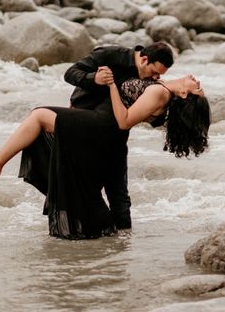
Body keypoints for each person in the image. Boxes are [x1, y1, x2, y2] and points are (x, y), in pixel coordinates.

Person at [0, 73, 209, 240]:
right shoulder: (161, 88)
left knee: (39, 115)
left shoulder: (160, 93)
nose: (196, 80)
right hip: (104, 130)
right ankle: (118, 237)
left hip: (102, 126)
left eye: (196, 87)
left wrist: (113, 86)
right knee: (108, 191)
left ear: (185, 95)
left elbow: (124, 121)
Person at [63, 43, 175, 230]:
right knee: (85, 190)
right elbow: (70, 73)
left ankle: (123, 249)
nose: (156, 78)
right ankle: (88, 241)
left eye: (160, 76)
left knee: (120, 198)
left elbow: (151, 117)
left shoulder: (150, 83)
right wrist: (95, 78)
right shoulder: (110, 55)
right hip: (85, 125)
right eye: (154, 72)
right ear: (144, 59)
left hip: (116, 136)